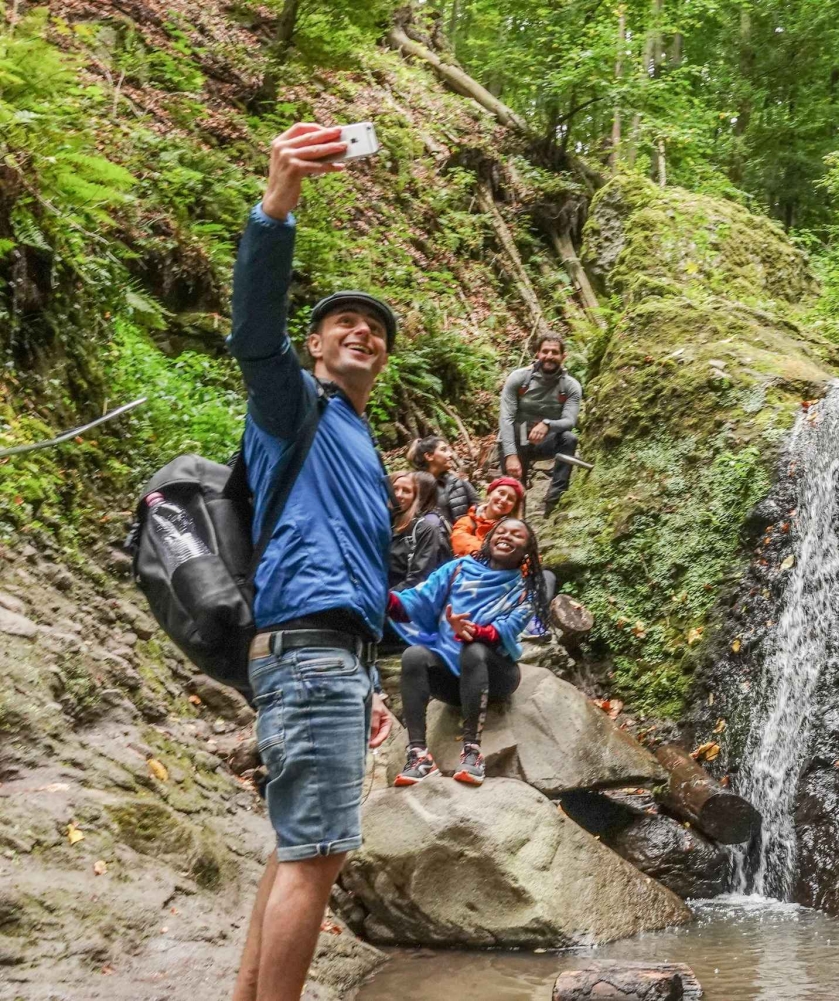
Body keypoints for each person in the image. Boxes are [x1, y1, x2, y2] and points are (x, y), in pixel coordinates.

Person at [229, 124, 395, 1001]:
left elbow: (356, 574)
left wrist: (371, 681)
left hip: (331, 660)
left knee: (296, 848)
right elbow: (255, 334)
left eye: (373, 328)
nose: (360, 331)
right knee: (317, 858)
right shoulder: (293, 404)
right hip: (308, 655)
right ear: (319, 344)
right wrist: (277, 208)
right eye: (343, 322)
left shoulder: (360, 443)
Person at [388, 518, 547, 786]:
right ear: (489, 538)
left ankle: (472, 752)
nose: (506, 536)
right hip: (452, 680)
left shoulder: (525, 590)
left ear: (527, 551)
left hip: (496, 675)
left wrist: (471, 631)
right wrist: (380, 596)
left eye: (517, 535)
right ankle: (418, 755)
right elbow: (416, 601)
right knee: (414, 655)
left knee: (474, 649)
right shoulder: (457, 569)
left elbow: (505, 631)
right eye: (501, 531)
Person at [498, 335, 584, 515]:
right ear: (538, 354)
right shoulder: (519, 378)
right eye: (545, 351)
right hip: (518, 438)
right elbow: (506, 418)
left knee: (569, 439)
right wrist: (511, 455)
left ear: (563, 356)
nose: (549, 356)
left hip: (545, 440)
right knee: (514, 489)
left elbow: (570, 421)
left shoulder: (570, 386)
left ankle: (555, 501)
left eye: (554, 352)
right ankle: (514, 521)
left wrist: (547, 424)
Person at [388, 470, 451, 591]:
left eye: (406, 491)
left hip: (399, 602)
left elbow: (418, 579)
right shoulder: (378, 525)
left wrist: (385, 601)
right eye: (395, 488)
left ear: (414, 497)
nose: (399, 494)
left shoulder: (425, 530)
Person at [407, 435, 476, 526]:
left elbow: (478, 510)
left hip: (462, 537)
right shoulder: (413, 487)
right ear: (429, 456)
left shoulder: (458, 483)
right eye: (443, 450)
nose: (450, 455)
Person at [451, 475, 524, 557]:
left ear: (514, 507)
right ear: (489, 494)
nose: (504, 500)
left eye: (510, 499)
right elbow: (459, 540)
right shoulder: (468, 521)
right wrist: (497, 554)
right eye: (501, 493)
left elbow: (526, 557)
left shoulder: (516, 531)